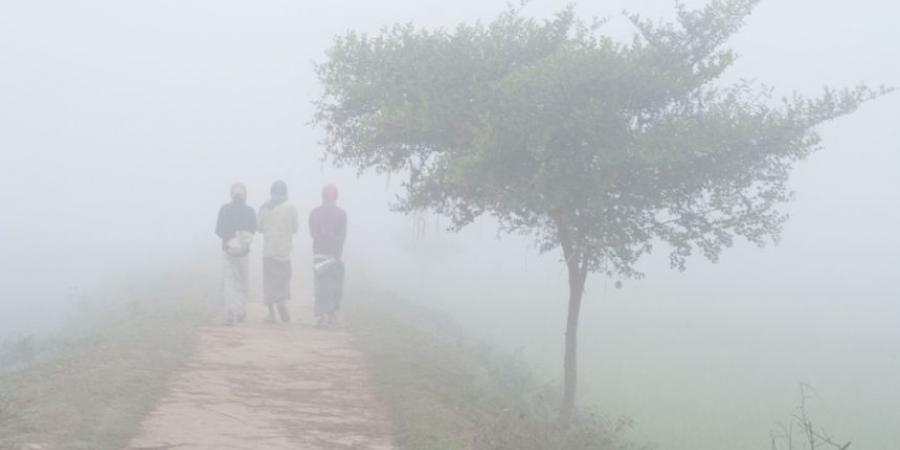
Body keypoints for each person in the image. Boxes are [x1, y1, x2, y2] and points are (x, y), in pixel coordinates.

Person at [258, 180, 299, 323]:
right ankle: (282, 302)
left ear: (271, 192)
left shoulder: (264, 208)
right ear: (285, 192)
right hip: (284, 251)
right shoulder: (291, 208)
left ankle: (271, 313)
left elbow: (259, 228)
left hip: (269, 251)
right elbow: (295, 228)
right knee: (283, 280)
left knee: (269, 283)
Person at [215, 182, 256, 325]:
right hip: (244, 252)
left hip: (228, 251)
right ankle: (241, 311)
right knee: (243, 282)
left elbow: (218, 230)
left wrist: (229, 239)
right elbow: (253, 229)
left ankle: (230, 311)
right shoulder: (250, 211)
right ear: (245, 195)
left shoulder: (224, 209)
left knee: (229, 281)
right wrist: (242, 240)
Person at [309, 184, 347, 327]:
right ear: (336, 196)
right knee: (335, 286)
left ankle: (321, 316)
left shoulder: (314, 213)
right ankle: (332, 315)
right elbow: (342, 236)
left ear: (322, 196)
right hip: (334, 255)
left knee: (320, 286)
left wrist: (322, 238)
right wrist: (336, 251)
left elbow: (313, 233)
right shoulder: (342, 214)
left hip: (319, 254)